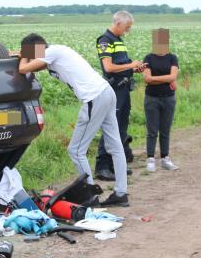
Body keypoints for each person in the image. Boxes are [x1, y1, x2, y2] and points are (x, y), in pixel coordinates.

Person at [17, 33, 130, 207]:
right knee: (115, 145)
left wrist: (22, 56)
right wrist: (23, 53)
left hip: (94, 98)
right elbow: (37, 66)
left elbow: (23, 69)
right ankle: (121, 193)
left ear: (36, 50)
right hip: (106, 92)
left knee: (76, 150)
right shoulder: (57, 51)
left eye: (31, 55)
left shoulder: (51, 52)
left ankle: (90, 197)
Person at [93, 10, 143, 181]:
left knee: (121, 128)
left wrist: (133, 67)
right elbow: (108, 67)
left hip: (124, 89)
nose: (128, 31)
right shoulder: (105, 41)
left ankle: (115, 165)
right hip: (114, 89)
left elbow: (121, 64)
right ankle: (102, 167)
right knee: (110, 127)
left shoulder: (118, 40)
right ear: (118, 23)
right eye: (127, 27)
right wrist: (130, 66)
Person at [142, 28, 179, 172]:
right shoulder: (148, 58)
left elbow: (173, 77)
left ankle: (165, 158)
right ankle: (150, 158)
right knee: (152, 130)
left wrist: (153, 79)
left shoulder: (172, 57)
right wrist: (165, 79)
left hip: (168, 99)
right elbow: (146, 78)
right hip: (151, 98)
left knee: (165, 130)